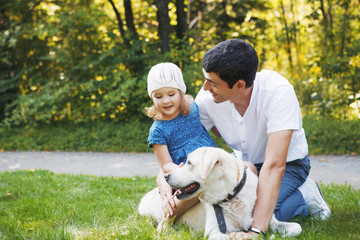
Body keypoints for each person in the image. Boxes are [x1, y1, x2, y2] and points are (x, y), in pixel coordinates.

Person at [195, 39, 331, 238]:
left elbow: (275, 165)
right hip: (242, 164)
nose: (206, 87)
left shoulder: (278, 92)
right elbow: (188, 143)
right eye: (205, 79)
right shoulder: (208, 98)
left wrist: (255, 231)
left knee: (256, 215)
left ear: (239, 85)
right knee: (232, 211)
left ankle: (306, 194)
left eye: (213, 82)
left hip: (289, 165)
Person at [145, 62, 217, 228]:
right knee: (194, 190)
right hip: (183, 172)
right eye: (158, 96)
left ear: (181, 92)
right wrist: (181, 171)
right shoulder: (157, 130)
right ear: (152, 97)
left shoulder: (193, 110)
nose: (165, 101)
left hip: (207, 161)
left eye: (171, 94)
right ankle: (168, 219)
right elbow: (166, 164)